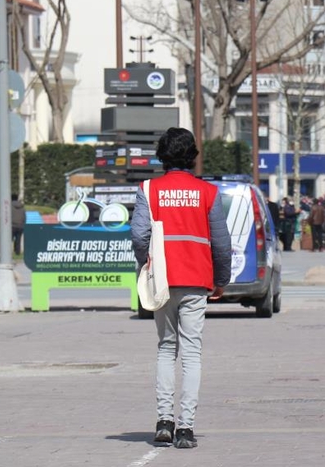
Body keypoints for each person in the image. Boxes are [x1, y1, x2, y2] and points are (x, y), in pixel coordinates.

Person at [130, 127, 232, 449]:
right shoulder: (208, 193)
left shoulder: (149, 189)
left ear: (162, 154)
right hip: (197, 279)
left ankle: (163, 422)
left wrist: (147, 264)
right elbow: (222, 243)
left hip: (163, 279)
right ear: (192, 156)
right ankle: (186, 428)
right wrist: (222, 279)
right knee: (191, 353)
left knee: (165, 348)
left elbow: (138, 235)